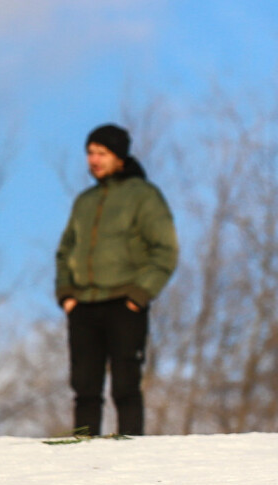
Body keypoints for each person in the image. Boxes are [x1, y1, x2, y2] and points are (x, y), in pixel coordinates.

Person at [55, 124, 178, 436]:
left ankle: (130, 448)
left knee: (125, 384)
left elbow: (165, 250)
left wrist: (139, 294)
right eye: (90, 153)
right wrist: (66, 294)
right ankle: (83, 445)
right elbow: (65, 249)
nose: (93, 160)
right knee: (84, 387)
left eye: (102, 153)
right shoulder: (84, 201)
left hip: (125, 303)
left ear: (120, 157)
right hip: (83, 304)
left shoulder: (143, 195)